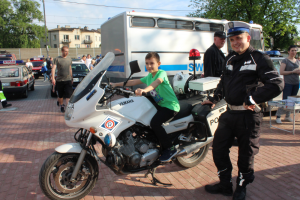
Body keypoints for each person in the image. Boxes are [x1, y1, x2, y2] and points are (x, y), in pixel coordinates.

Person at [202, 22, 283, 200]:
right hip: (229, 113)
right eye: (232, 40)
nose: (235, 42)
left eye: (238, 38)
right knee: (218, 149)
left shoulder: (258, 58)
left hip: (248, 115)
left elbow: (276, 84)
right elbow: (224, 81)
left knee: (245, 155)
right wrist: (215, 98)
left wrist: (252, 98)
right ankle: (224, 185)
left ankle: (241, 187)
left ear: (247, 37)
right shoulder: (230, 58)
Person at [111, 52, 180, 162]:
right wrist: (116, 84)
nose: (149, 66)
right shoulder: (149, 76)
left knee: (155, 123)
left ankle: (170, 148)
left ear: (159, 64)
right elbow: (133, 81)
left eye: (152, 63)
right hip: (160, 105)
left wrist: (144, 90)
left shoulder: (161, 73)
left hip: (170, 106)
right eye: (147, 63)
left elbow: (157, 83)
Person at [276, 45, 300, 123]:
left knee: (292, 101)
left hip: (296, 83)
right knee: (285, 100)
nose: (294, 52)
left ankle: (287, 116)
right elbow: (281, 72)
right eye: (292, 50)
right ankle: (278, 116)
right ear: (289, 51)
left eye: (295, 50)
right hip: (288, 83)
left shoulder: (297, 61)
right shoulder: (285, 60)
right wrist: (293, 71)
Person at [52, 46, 73, 113]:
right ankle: (61, 105)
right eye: (65, 51)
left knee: (68, 95)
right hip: (59, 80)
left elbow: (70, 68)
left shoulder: (69, 59)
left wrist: (72, 78)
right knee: (60, 96)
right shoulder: (57, 59)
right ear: (62, 51)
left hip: (68, 80)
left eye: (67, 51)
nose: (67, 53)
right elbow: (53, 69)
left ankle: (68, 109)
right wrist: (53, 78)